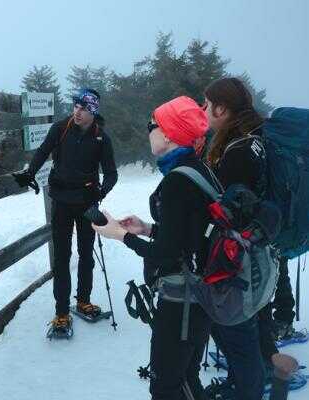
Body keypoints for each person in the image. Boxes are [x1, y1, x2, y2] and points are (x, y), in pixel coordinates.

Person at [93, 96, 214, 400]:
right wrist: (147, 229)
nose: (148, 131)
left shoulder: (177, 181)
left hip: (181, 302)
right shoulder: (198, 169)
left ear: (169, 133)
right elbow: (191, 234)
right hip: (201, 293)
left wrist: (120, 235)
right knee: (186, 376)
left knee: (165, 385)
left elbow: (166, 254)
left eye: (153, 125)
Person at [202, 77, 298, 400]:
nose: (203, 110)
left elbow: (228, 207)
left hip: (243, 251)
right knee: (258, 309)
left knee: (241, 316)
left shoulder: (237, 150)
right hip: (263, 241)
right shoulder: (255, 136)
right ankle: (266, 365)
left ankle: (247, 381)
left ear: (222, 109)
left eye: (207, 104)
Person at [13, 88, 118, 331]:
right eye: (75, 106)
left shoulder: (102, 137)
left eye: (83, 108)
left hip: (87, 203)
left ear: (93, 111)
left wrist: (99, 194)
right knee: (61, 258)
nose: (77, 112)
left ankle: (83, 301)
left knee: (86, 255)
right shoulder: (60, 128)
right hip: (60, 201)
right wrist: (29, 173)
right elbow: (42, 152)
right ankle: (61, 312)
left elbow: (112, 174)